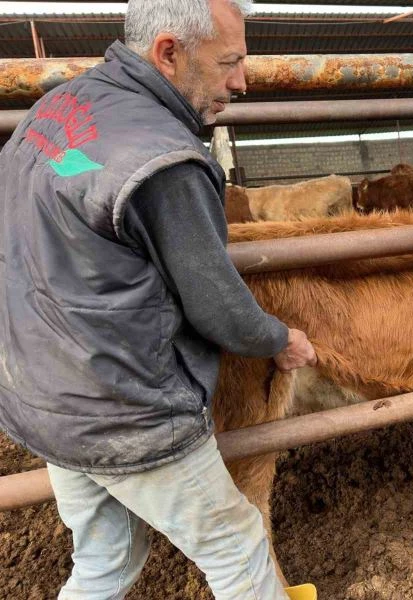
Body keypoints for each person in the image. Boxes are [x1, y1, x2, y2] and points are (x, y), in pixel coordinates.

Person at [0, 0, 317, 598]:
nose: (241, 82)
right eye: (229, 62)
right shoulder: (163, 159)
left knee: (104, 560)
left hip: (40, 392)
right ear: (169, 53)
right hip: (121, 408)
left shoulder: (55, 108)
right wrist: (280, 337)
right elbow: (219, 306)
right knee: (238, 547)